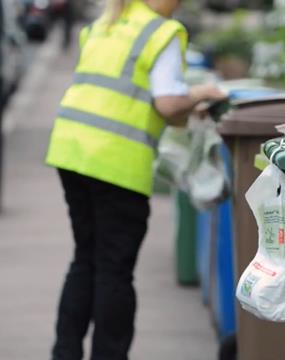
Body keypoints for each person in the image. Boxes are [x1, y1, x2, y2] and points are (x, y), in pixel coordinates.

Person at [45, 0, 226, 358]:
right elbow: (168, 104)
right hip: (115, 161)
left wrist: (187, 108)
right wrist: (204, 93)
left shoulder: (106, 24)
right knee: (114, 270)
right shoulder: (163, 32)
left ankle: (65, 352)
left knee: (86, 259)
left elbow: (141, 100)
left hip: (71, 150)